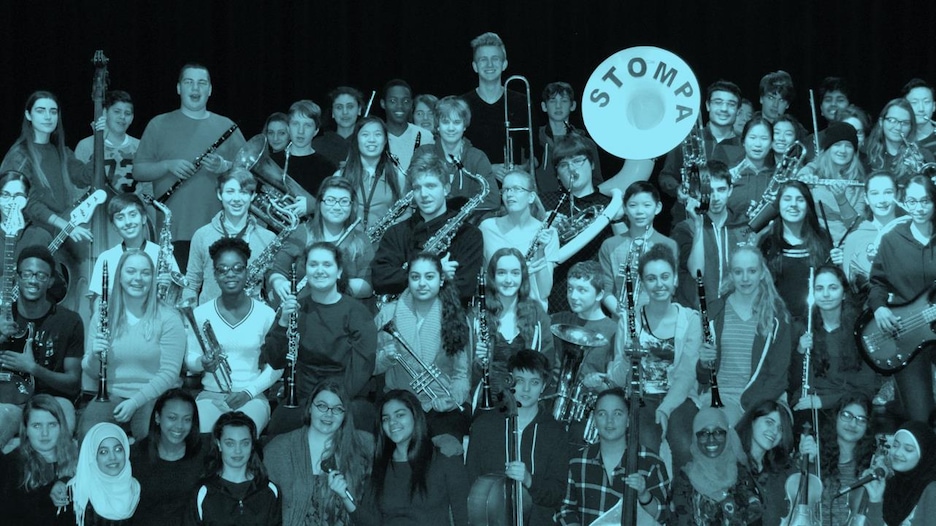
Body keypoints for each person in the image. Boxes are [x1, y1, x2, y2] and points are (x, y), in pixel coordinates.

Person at [133, 63, 247, 271]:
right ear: (179, 88)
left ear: (210, 90)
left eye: (202, 83)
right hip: (172, 232)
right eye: (189, 82)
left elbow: (249, 175)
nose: (195, 88)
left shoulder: (227, 126)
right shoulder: (158, 124)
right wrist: (167, 165)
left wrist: (224, 166)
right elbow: (138, 171)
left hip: (220, 231)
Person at [263, 242, 377, 436]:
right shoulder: (294, 309)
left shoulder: (358, 313)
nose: (319, 270)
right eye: (313, 264)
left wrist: (327, 405)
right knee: (277, 432)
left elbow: (361, 370)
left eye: (327, 264)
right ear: (306, 271)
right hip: (302, 398)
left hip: (345, 398)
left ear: (339, 272)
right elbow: (275, 360)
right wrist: (283, 322)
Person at [606, 244, 702, 472]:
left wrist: (666, 408)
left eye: (665, 277)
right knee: (645, 449)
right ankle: (649, 494)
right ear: (642, 282)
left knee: (683, 444)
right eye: (651, 278)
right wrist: (628, 359)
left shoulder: (691, 320)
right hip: (641, 397)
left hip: (679, 397)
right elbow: (617, 379)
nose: (659, 284)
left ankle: (682, 494)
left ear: (675, 279)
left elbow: (687, 374)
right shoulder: (629, 321)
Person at [79, 249, 186, 440]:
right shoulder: (102, 315)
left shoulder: (169, 317)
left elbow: (170, 373)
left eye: (145, 273)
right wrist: (95, 356)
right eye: (131, 271)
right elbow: (91, 371)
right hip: (111, 394)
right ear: (119, 276)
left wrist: (134, 402)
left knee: (148, 436)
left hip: (154, 395)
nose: (138, 278)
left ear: (153, 278)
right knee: (90, 434)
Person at [374, 252, 471, 455]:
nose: (422, 283)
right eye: (415, 277)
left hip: (441, 405)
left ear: (441, 279)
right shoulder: (388, 314)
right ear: (408, 279)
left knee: (448, 450)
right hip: (399, 403)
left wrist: (452, 400)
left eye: (429, 277)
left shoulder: (455, 316)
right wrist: (385, 358)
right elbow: (371, 367)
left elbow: (462, 375)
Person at [185, 237, 279, 434]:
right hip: (211, 394)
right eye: (223, 269)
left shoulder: (266, 314)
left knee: (240, 434)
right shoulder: (201, 313)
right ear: (215, 274)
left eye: (237, 268)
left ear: (247, 271)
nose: (230, 274)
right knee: (200, 434)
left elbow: (276, 367)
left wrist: (248, 392)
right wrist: (202, 363)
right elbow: (190, 358)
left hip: (252, 396)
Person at [467, 350, 570, 525]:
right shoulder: (484, 426)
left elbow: (557, 494)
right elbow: (470, 482)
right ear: (509, 381)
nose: (526, 389)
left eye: (534, 382)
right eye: (520, 381)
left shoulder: (555, 432)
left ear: (543, 386)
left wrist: (529, 480)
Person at [370, 151, 484, 305]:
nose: (423, 194)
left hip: (448, 316)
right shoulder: (396, 233)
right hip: (400, 315)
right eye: (417, 188)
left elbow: (464, 289)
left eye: (431, 186)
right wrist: (437, 273)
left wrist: (408, 277)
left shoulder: (469, 235)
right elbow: (380, 278)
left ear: (446, 188)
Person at [697, 245, 792, 424]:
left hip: (761, 399)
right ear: (731, 275)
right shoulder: (715, 311)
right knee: (710, 427)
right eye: (738, 272)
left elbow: (778, 379)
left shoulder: (778, 317)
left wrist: (749, 409)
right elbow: (703, 377)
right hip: (720, 396)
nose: (745, 278)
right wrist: (703, 363)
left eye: (752, 271)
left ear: (762, 273)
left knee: (728, 430)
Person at [0, 245, 83, 449]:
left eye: (41, 275)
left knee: (60, 426)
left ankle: (56, 470)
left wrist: (34, 368)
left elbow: (73, 383)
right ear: (17, 278)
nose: (33, 280)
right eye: (27, 274)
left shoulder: (69, 321)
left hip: (53, 399)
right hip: (9, 401)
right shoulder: (3, 317)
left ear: (50, 281)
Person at [868, 175, 936, 423]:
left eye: (925, 201)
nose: (919, 208)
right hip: (908, 334)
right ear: (904, 202)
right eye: (912, 201)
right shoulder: (892, 239)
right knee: (920, 417)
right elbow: (877, 282)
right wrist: (879, 308)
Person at [349, 389, 470, 525]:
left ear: (415, 416)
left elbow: (464, 518)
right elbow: (372, 522)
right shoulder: (380, 466)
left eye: (399, 415)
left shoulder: (445, 461)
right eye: (386, 419)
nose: (392, 422)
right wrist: (345, 498)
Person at [264, 380, 372, 526]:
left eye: (337, 409)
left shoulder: (363, 447)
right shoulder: (280, 449)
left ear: (345, 414)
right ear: (310, 408)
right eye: (322, 406)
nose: (329, 414)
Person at [556, 387, 670, 525]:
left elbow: (663, 517)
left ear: (628, 420)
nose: (609, 421)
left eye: (617, 414)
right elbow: (565, 510)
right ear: (594, 420)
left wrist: (643, 494)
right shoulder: (577, 462)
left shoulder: (651, 462)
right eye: (602, 414)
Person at [542, 133, 621, 314]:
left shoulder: (609, 205)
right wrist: (541, 224)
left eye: (578, 161)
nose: (571, 168)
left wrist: (618, 218)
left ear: (592, 164)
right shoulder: (545, 203)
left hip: (599, 298)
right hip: (554, 297)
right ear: (557, 173)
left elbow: (625, 252)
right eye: (563, 165)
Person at [268, 176, 375, 303]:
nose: (337, 207)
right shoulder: (301, 232)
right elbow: (278, 271)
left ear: (352, 206)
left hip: (343, 310)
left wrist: (330, 282)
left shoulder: (361, 240)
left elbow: (367, 287)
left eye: (344, 201)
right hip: (302, 307)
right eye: (330, 200)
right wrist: (279, 282)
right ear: (319, 203)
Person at [791, 266, 878, 422]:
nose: (826, 294)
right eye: (819, 288)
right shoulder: (802, 328)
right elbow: (793, 384)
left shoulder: (860, 331)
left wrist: (823, 402)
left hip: (847, 407)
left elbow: (866, 390)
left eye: (833, 288)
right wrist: (799, 352)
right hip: (808, 404)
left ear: (844, 294)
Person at [183, 168, 276, 305]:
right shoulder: (202, 235)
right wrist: (190, 315)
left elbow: (272, 288)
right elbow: (191, 284)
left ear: (253, 196)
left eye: (243, 192)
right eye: (230, 192)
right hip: (209, 316)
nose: (236, 199)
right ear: (219, 194)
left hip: (252, 315)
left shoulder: (268, 238)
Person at [659, 80, 745, 228]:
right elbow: (666, 176)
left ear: (738, 110)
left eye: (731, 104)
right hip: (686, 223)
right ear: (707, 105)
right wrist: (678, 189)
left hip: (729, 226)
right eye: (718, 102)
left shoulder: (745, 147)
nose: (724, 109)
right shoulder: (688, 140)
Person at [473, 247, 555, 398]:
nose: (508, 280)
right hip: (486, 399)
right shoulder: (476, 316)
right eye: (502, 273)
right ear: (492, 277)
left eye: (515, 273)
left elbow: (549, 366)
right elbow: (463, 372)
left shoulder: (538, 316)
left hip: (526, 399)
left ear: (523, 277)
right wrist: (477, 362)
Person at [672, 160, 748, 308]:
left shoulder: (742, 226)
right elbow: (697, 272)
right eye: (709, 191)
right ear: (697, 192)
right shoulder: (685, 229)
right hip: (697, 312)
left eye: (721, 190)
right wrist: (698, 225)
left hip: (733, 312)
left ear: (730, 190)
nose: (715, 197)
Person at [670, 407, 764, 526]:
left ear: (727, 436)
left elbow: (755, 518)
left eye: (718, 432)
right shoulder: (684, 480)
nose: (711, 439)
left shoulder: (741, 474)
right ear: (695, 438)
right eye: (703, 433)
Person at [478, 168, 557, 309]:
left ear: (531, 197)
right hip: (495, 310)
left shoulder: (548, 233)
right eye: (505, 190)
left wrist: (541, 252)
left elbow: (544, 292)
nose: (509, 194)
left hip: (532, 313)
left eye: (516, 189)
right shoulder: (487, 228)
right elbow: (482, 278)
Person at [184, 412, 281, 526]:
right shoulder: (203, 492)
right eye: (230, 444)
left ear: (252, 445)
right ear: (219, 444)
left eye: (245, 443)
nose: (238, 450)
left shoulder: (269, 490)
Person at [130, 389, 209, 526]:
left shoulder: (205, 451)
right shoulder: (135, 455)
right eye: (172, 418)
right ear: (157, 417)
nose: (179, 426)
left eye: (187, 419)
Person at [413, 95, 501, 217]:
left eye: (457, 122)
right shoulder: (423, 153)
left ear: (464, 126)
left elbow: (492, 200)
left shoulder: (477, 157)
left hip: (467, 223)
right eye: (445, 122)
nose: (451, 128)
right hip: (429, 221)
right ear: (438, 126)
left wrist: (458, 212)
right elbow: (411, 194)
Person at [797, 394, 877, 526]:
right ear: (835, 418)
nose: (853, 424)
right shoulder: (815, 455)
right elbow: (796, 502)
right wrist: (807, 463)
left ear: (867, 426)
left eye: (861, 419)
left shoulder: (869, 467)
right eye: (846, 415)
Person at [599, 181, 678, 314]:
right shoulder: (609, 245)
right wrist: (624, 317)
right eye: (633, 205)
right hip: (621, 319)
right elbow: (606, 290)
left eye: (647, 205)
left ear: (658, 208)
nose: (640, 211)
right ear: (624, 208)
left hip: (658, 318)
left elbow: (672, 287)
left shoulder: (669, 245)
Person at [88, 193, 181, 303]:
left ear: (143, 218)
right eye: (120, 217)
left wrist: (171, 287)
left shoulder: (162, 253)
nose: (128, 222)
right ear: (114, 226)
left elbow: (178, 296)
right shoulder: (106, 258)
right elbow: (96, 303)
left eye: (133, 215)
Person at [759, 181, 833, 321]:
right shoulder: (767, 242)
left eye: (800, 200)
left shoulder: (822, 238)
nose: (793, 204)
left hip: (815, 322)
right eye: (787, 199)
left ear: (808, 205)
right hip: (777, 322)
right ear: (778, 205)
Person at [0, 394, 78, 526]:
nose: (45, 433)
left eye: (52, 425)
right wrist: (49, 492)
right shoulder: (11, 465)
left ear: (61, 427)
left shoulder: (78, 458)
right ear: (26, 429)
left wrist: (65, 481)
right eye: (37, 426)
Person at [461, 31, 528, 180]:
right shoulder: (462, 104)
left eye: (495, 59)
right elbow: (456, 153)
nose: (489, 64)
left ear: (504, 64)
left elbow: (535, 153)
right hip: (473, 186)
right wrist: (488, 169)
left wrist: (521, 169)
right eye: (483, 59)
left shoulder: (521, 102)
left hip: (513, 186)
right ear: (475, 66)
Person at [550, 260, 617, 393]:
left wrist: (599, 385)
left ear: (599, 295)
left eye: (582, 290)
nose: (573, 296)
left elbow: (614, 385)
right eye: (570, 288)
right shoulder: (558, 320)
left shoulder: (613, 331)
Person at [338, 116, 409, 239]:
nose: (371, 140)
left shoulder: (398, 177)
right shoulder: (340, 176)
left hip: (385, 245)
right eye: (365, 134)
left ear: (385, 140)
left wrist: (397, 225)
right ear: (356, 139)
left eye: (377, 134)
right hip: (348, 244)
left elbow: (407, 214)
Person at [797, 121, 867, 245]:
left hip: (846, 244)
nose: (843, 150)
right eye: (837, 144)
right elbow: (800, 178)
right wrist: (803, 185)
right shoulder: (813, 171)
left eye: (848, 146)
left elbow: (856, 226)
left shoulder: (859, 183)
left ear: (854, 151)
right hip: (814, 242)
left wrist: (842, 200)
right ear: (828, 148)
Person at [534, 81, 604, 193]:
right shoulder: (532, 140)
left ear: (573, 105)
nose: (558, 106)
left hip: (576, 202)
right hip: (540, 202)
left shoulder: (587, 144)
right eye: (552, 101)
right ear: (544, 106)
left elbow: (596, 182)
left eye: (564, 101)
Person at [841, 171, 904, 293]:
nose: (882, 200)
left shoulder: (912, 231)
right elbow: (850, 284)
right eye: (875, 193)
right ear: (866, 198)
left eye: (888, 192)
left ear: (898, 195)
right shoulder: (854, 238)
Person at [734, 400, 794, 526]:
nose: (774, 432)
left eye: (780, 429)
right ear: (752, 420)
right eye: (769, 422)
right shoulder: (732, 462)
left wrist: (808, 460)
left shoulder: (780, 471)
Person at [270, 100, 338, 211]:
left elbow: (333, 206)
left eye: (307, 125)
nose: (300, 131)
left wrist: (312, 207)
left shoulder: (328, 168)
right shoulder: (271, 161)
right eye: (295, 124)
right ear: (288, 127)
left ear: (316, 131)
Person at [864, 421, 936, 526]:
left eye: (908, 449)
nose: (897, 453)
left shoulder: (932, 490)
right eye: (895, 445)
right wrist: (875, 499)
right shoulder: (892, 485)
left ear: (924, 456)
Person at [69, 422, 140, 526]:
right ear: (93, 456)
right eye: (103, 452)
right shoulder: (77, 490)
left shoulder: (136, 489)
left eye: (118, 449)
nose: (112, 457)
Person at [75, 90, 143, 196]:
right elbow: (77, 187)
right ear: (105, 113)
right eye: (117, 111)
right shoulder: (86, 146)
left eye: (127, 113)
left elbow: (148, 186)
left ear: (132, 118)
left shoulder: (140, 146)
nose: (122, 117)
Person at [867, 98, 933, 190]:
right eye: (892, 120)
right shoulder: (868, 153)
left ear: (911, 127)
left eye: (904, 123)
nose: (898, 127)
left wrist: (921, 174)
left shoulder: (924, 155)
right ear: (881, 122)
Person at [382, 79, 435, 172]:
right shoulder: (375, 136)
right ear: (383, 103)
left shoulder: (426, 137)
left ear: (411, 104)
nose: (400, 106)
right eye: (393, 101)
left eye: (405, 101)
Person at [727, 116, 775, 217]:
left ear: (771, 144)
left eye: (764, 138)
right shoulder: (729, 173)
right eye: (752, 138)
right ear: (743, 141)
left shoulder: (776, 178)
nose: (758, 144)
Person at [314, 87, 365, 168]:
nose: (345, 112)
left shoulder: (367, 142)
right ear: (332, 112)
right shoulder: (317, 145)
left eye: (350, 106)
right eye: (339, 107)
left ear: (359, 110)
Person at [903, 78, 936, 156]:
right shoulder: (898, 138)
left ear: (934, 106)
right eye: (914, 102)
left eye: (926, 102)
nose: (921, 109)